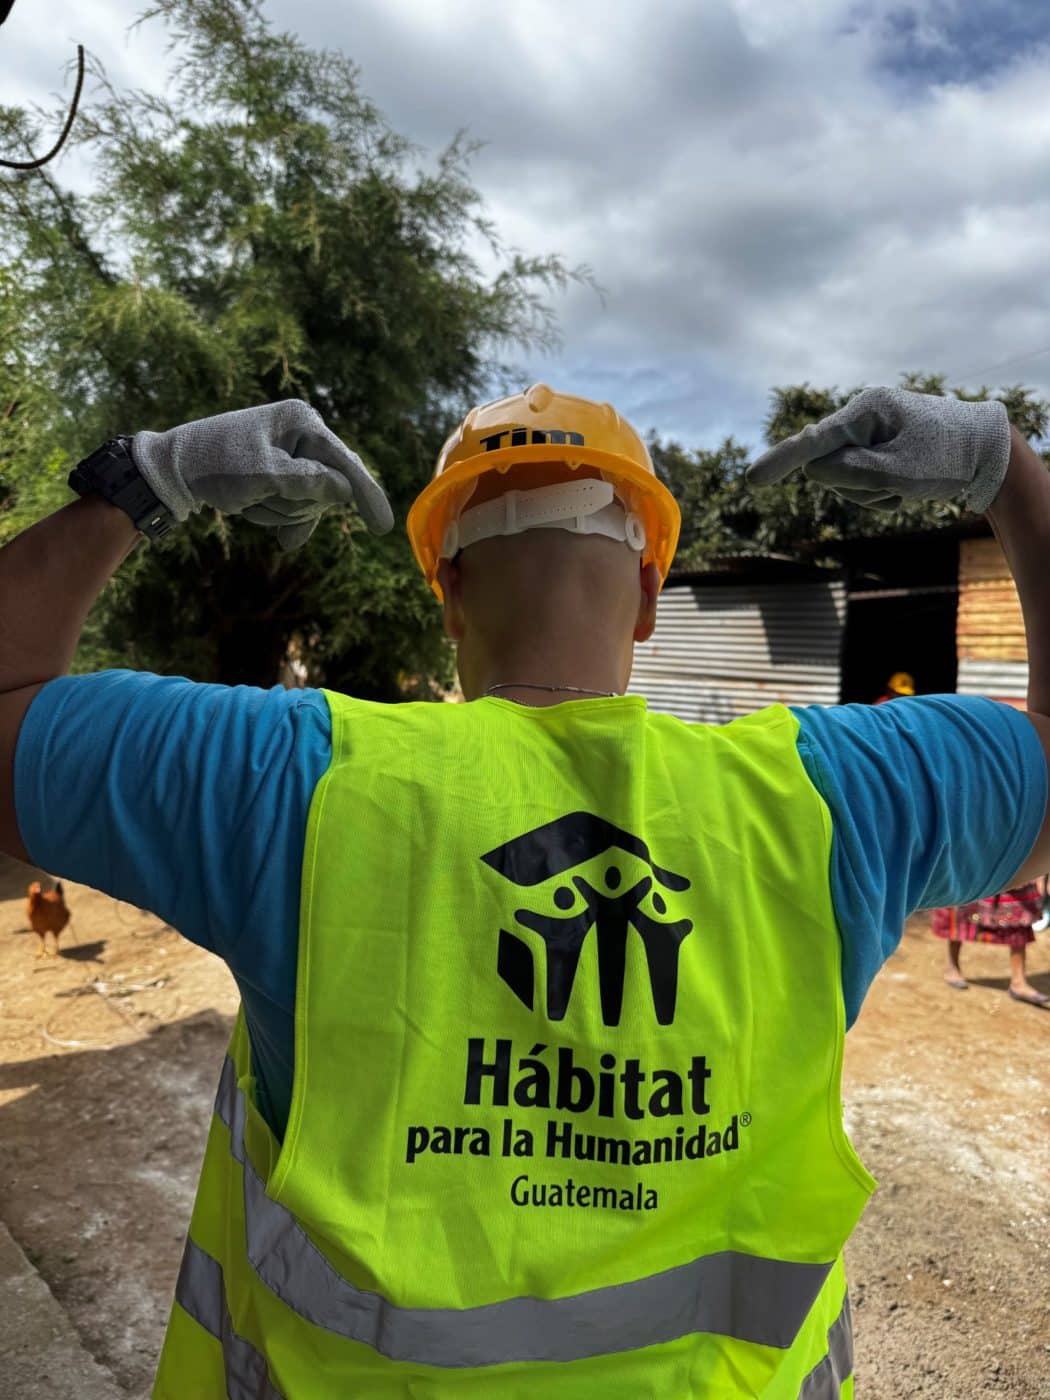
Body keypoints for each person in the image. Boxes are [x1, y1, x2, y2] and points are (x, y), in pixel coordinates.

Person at [1, 383, 1048, 1397]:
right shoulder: (840, 794)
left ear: (447, 592)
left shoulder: (284, 779)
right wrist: (1009, 474)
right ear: (647, 595)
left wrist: (144, 478)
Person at [932, 882, 1050, 1005]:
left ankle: (1018, 981)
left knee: (1019, 914)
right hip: (978, 870)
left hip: (1014, 871)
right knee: (962, 908)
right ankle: (953, 966)